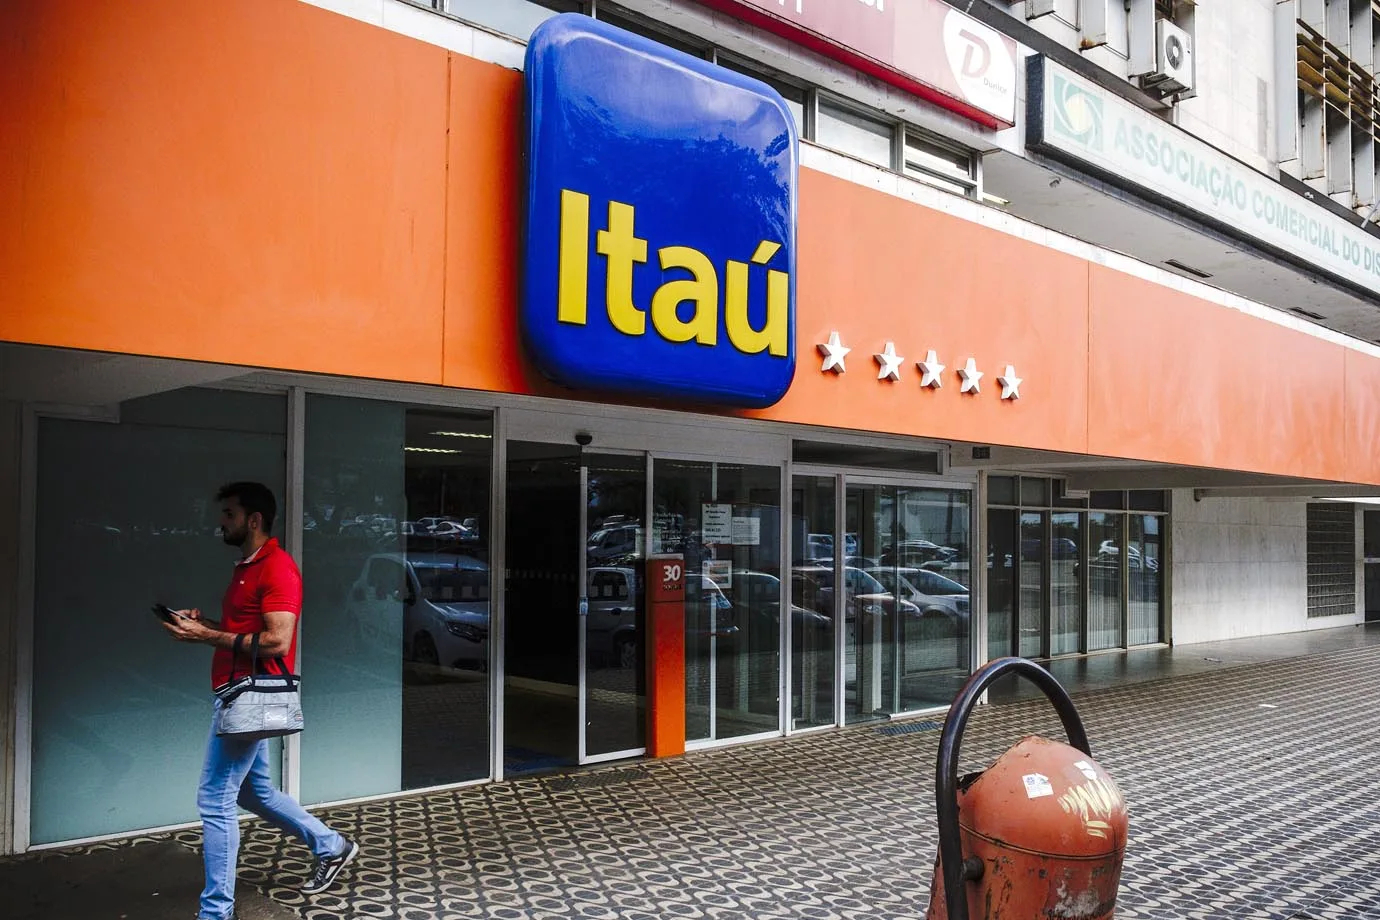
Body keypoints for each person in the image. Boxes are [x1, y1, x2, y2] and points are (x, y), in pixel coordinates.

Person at [162, 481, 357, 920]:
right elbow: (242, 630)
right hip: (236, 692)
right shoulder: (247, 566)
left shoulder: (277, 568)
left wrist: (208, 635)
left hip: (250, 697)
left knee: (215, 799)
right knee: (255, 792)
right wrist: (204, 624)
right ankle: (331, 845)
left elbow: (276, 641)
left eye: (228, 514)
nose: (221, 522)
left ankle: (217, 911)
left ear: (253, 520)